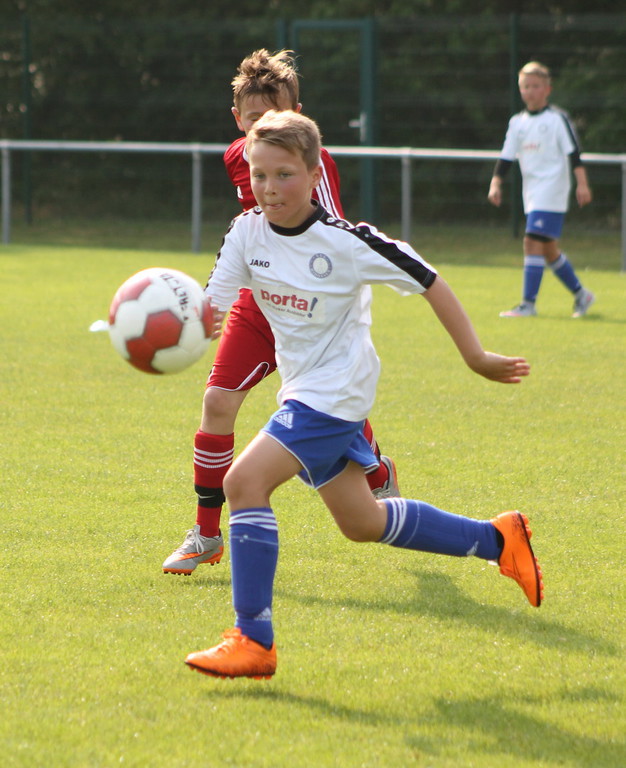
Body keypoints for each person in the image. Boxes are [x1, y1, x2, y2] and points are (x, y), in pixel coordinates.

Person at [184, 110, 544, 680]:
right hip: (303, 392)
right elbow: (214, 308)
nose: (270, 188)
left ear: (314, 174)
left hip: (335, 396)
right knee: (362, 522)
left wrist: (475, 355)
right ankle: (499, 540)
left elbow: (428, 279)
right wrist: (175, 323)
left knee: (243, 483)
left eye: (284, 175)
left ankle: (253, 639)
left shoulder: (347, 242)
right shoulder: (246, 233)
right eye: (259, 175)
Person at [162, 50, 398, 576]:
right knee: (217, 402)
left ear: (301, 119)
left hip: (314, 309)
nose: (265, 128)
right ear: (237, 121)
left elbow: (331, 235)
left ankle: (378, 472)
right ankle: (205, 534)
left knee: (328, 408)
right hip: (259, 304)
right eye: (254, 119)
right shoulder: (238, 155)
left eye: (278, 116)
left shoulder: (317, 165)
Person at [488, 61, 594, 318]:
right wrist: (496, 182)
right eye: (525, 86)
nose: (530, 91)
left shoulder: (557, 119)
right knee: (547, 250)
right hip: (532, 192)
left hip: (553, 189)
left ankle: (528, 304)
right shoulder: (517, 122)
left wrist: (582, 184)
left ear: (547, 89)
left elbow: (573, 154)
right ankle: (582, 294)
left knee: (531, 240)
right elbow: (506, 156)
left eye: (535, 86)